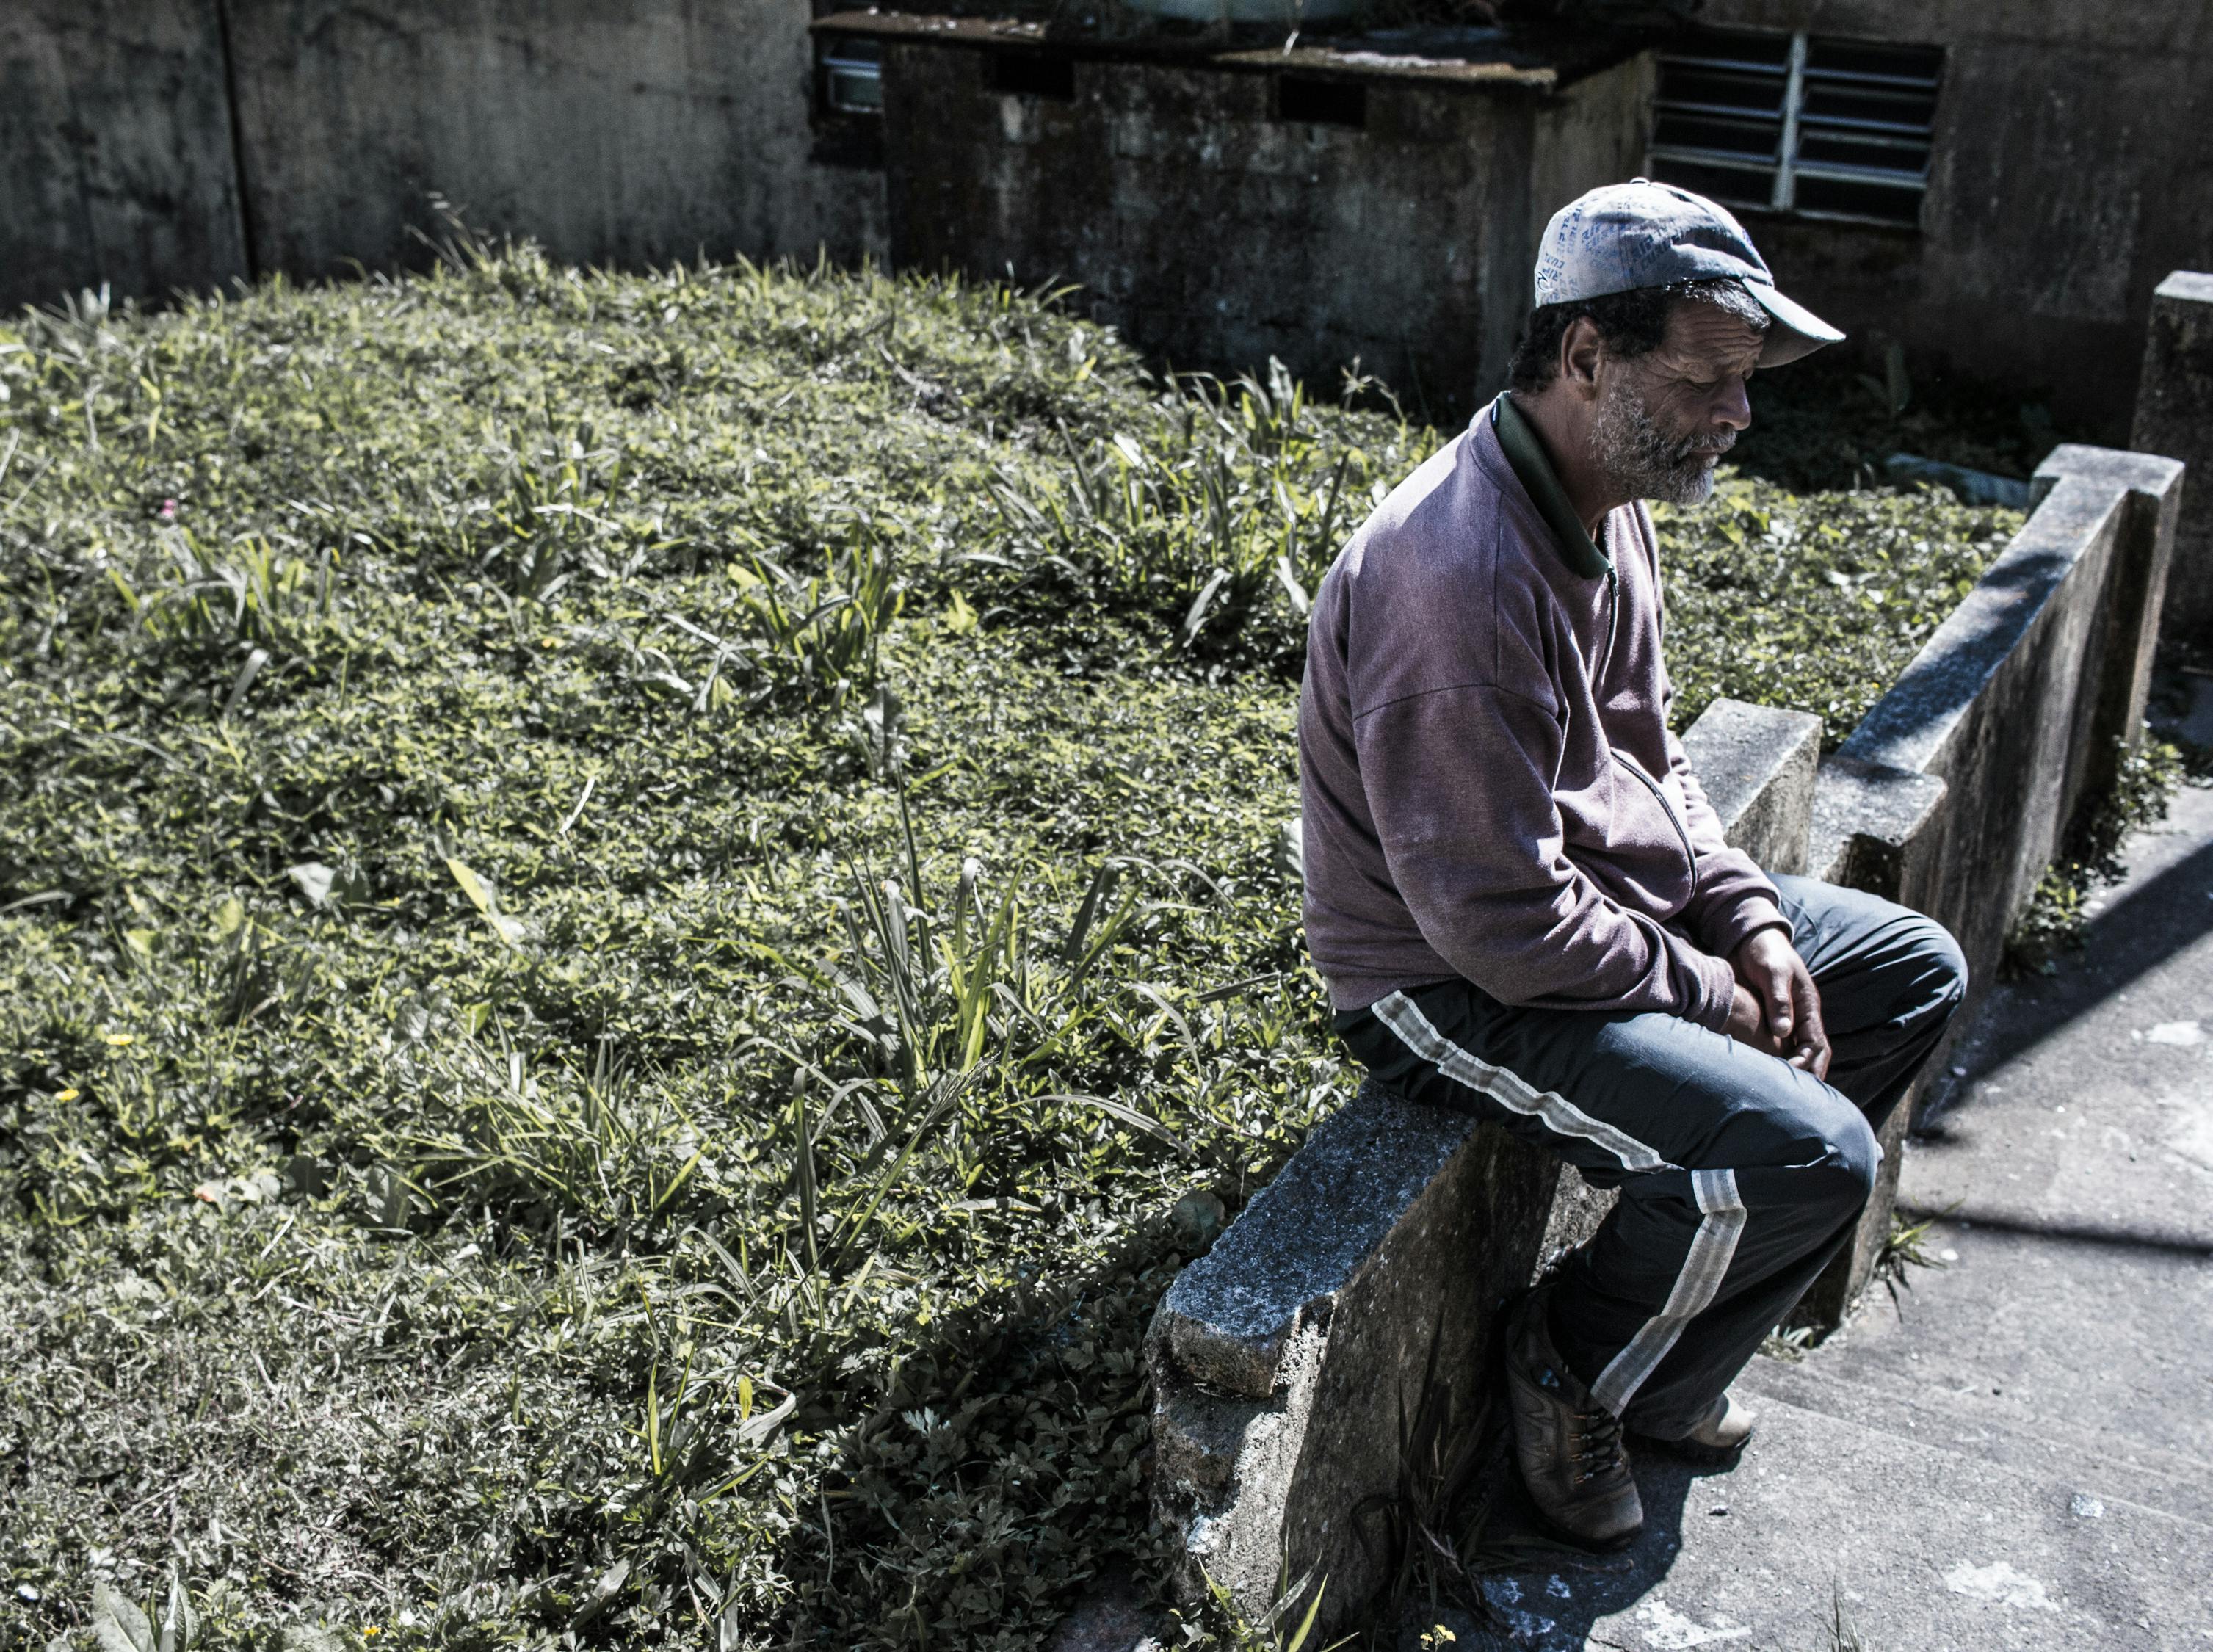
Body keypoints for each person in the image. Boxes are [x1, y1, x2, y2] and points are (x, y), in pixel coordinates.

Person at [1296, 180, 1966, 1549]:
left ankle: (1668, 1376)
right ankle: (1572, 1360)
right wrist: (1713, 995)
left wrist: (1752, 925)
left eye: (1743, 381)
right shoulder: (1455, 579)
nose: (1737, 413)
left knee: (1906, 973)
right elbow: (1494, 922)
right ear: (1585, 353)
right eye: (1708, 377)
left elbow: (1650, 757)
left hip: (1582, 908)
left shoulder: (1610, 496)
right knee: (1807, 1157)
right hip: (1447, 979)